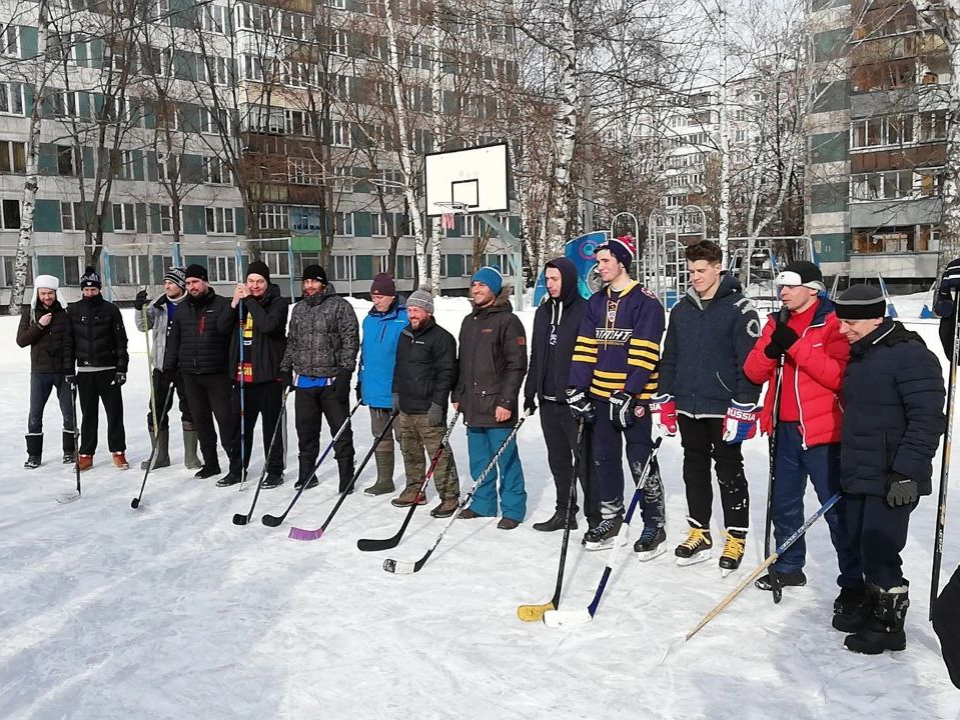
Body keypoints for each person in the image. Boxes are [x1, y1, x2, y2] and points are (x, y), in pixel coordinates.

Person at [832, 284, 945, 654]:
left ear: (876, 317)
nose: (843, 329)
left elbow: (927, 420)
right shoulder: (864, 352)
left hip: (894, 475)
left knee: (881, 549)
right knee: (860, 543)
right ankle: (871, 605)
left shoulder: (909, 355)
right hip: (862, 469)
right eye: (840, 321)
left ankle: (889, 624)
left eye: (850, 322)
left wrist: (908, 472)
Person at [743, 261, 861, 610]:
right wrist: (770, 351)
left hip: (824, 432)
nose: (783, 293)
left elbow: (838, 376)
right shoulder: (776, 322)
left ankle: (854, 582)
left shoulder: (834, 323)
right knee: (785, 504)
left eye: (790, 287)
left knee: (835, 511)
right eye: (781, 287)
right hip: (784, 429)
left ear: (813, 289)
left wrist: (794, 346)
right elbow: (752, 372)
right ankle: (790, 565)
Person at [653, 240, 761, 570]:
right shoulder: (682, 310)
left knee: (729, 468)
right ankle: (699, 529)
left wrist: (744, 404)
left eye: (701, 270)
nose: (695, 277)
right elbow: (669, 358)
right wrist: (664, 397)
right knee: (694, 467)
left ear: (718, 267)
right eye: (691, 271)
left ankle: (736, 534)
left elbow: (751, 363)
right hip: (689, 403)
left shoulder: (740, 309)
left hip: (724, 405)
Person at [567, 237, 667, 554]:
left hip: (632, 400)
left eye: (606, 261)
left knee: (640, 461)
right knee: (604, 459)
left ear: (622, 262)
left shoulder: (646, 302)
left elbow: (646, 353)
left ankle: (654, 524)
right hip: (600, 395)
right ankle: (611, 518)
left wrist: (631, 393)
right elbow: (584, 348)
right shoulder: (596, 302)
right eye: (598, 262)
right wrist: (576, 387)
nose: (600, 267)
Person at [523, 257, 599, 532]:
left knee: (584, 462)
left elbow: (592, 356)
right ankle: (564, 511)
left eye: (555, 279)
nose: (550, 285)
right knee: (558, 460)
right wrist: (530, 389)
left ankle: (595, 517)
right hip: (548, 399)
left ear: (567, 279)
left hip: (574, 401)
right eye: (547, 279)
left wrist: (585, 393)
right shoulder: (543, 313)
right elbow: (537, 355)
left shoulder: (584, 310)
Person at [452, 267, 528, 530]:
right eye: (474, 285)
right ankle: (483, 504)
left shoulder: (508, 321)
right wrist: (458, 394)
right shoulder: (468, 321)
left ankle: (514, 509)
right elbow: (463, 364)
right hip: (473, 404)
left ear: (495, 290)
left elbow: (516, 365)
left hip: (497, 406)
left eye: (482, 286)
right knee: (479, 461)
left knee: (506, 460)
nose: (476, 290)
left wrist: (506, 402)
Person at [280, 264, 359, 492]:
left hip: (331, 383)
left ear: (323, 284)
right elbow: (292, 342)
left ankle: (346, 475)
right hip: (304, 381)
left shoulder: (340, 306)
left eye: (314, 282)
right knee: (306, 433)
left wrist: (345, 372)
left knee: (341, 432)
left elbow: (350, 340)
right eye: (306, 282)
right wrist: (285, 368)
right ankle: (307, 473)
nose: (310, 286)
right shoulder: (299, 309)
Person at [163, 263, 241, 485]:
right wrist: (169, 367)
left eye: (195, 282)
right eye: (188, 283)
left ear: (206, 281)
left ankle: (236, 466)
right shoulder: (182, 308)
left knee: (226, 421)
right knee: (201, 421)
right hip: (190, 373)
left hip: (217, 374)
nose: (191, 286)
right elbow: (174, 340)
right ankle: (211, 463)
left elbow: (226, 331)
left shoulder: (222, 305)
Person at [392, 286, 460, 517]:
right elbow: (398, 368)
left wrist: (438, 404)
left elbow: (446, 374)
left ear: (428, 311)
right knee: (409, 451)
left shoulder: (442, 339)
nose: (412, 314)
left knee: (438, 455)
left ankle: (449, 496)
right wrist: (395, 394)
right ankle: (414, 489)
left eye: (417, 310)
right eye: (410, 310)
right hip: (406, 407)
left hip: (428, 408)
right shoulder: (404, 335)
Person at [229, 261, 290, 488]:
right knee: (239, 427)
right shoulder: (241, 303)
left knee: (271, 427)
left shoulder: (278, 303)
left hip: (268, 377)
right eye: (251, 281)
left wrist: (248, 301)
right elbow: (223, 329)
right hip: (243, 377)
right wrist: (235, 304)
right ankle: (237, 469)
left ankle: (274, 470)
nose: (254, 286)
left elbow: (268, 326)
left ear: (267, 282)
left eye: (259, 281)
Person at [134, 267, 200, 470]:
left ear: (181, 285)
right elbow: (144, 326)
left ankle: (191, 456)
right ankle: (160, 455)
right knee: (156, 410)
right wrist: (139, 308)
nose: (167, 286)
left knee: (190, 408)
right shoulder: (159, 304)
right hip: (162, 366)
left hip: (186, 366)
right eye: (165, 283)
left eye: (171, 282)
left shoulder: (192, 304)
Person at [65, 266, 129, 471]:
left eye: (93, 290)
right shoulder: (73, 310)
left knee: (114, 414)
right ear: (82, 290)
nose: (90, 293)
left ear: (99, 289)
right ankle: (86, 454)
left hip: (108, 370)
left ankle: (118, 452)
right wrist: (69, 370)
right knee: (88, 415)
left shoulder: (111, 310)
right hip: (85, 372)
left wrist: (121, 369)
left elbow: (121, 341)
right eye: (86, 290)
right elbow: (68, 343)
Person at [16, 274, 75, 468]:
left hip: (62, 371)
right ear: (38, 293)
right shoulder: (30, 313)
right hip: (40, 372)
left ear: (56, 293)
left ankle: (70, 451)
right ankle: (34, 455)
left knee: (69, 413)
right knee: (35, 414)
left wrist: (70, 368)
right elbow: (22, 341)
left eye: (50, 293)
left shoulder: (66, 313)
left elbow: (71, 342)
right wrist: (40, 325)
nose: (47, 297)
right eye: (43, 293)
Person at [357, 273, 408, 496]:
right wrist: (360, 382)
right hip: (375, 390)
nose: (376, 300)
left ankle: (415, 484)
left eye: (380, 296)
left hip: (398, 390)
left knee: (405, 438)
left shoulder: (405, 318)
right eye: (373, 296)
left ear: (391, 296)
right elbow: (364, 354)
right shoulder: (369, 321)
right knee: (380, 436)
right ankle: (384, 480)